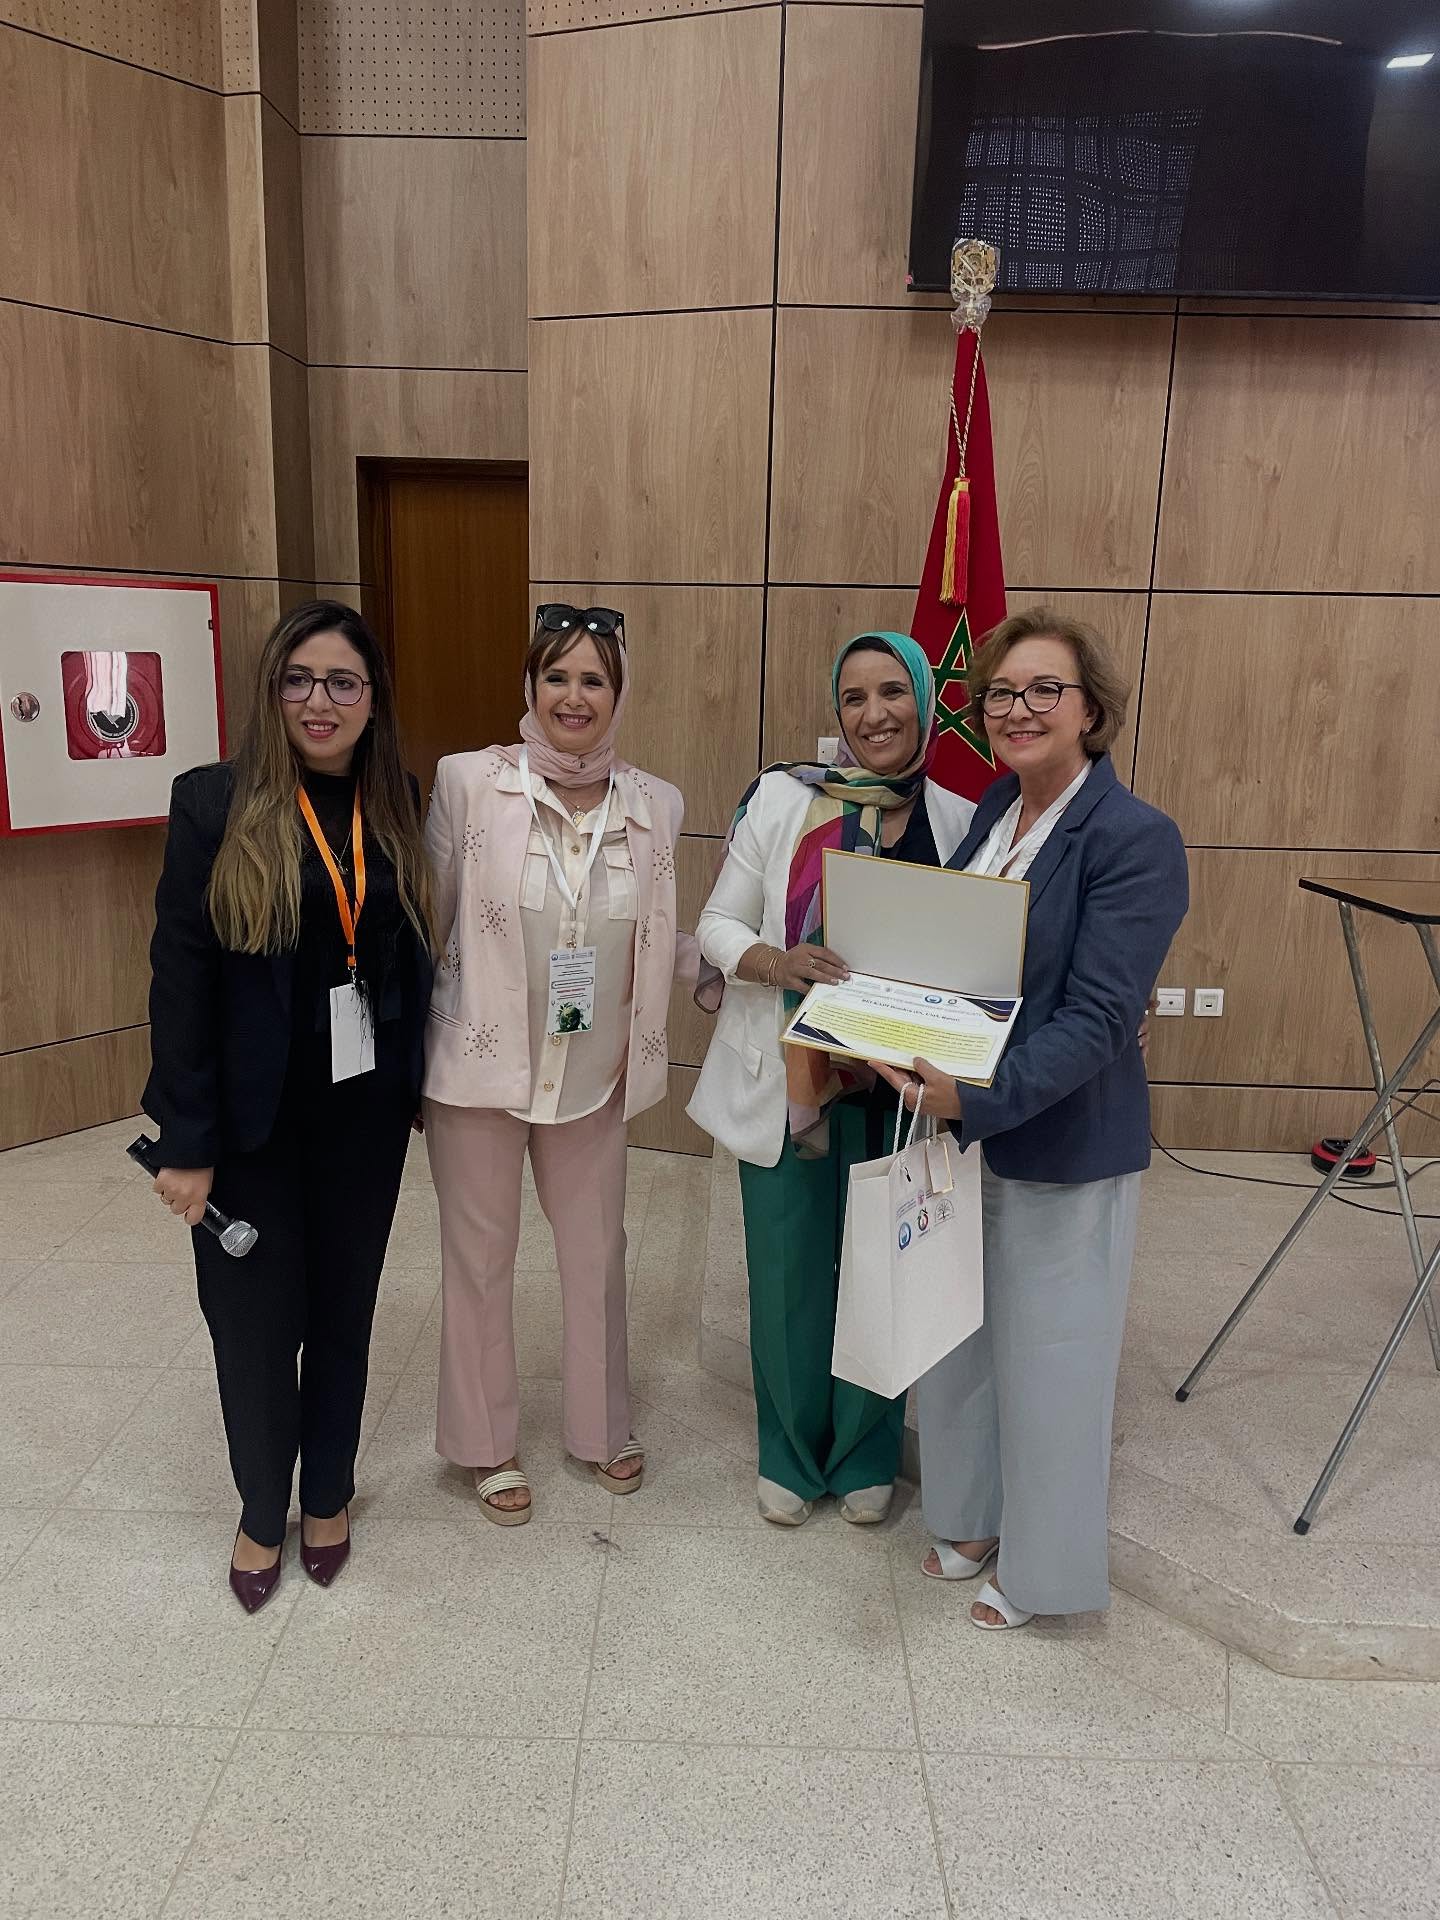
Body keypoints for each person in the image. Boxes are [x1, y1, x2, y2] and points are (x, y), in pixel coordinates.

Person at [874, 607, 1188, 1629]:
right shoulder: (996, 809)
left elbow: (1100, 1016)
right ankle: (970, 1518)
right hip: (961, 1130)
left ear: (1092, 709)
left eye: (1045, 690)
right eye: (1002, 692)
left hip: (1062, 1138)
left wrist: (977, 1095)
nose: (1018, 709)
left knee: (1054, 1363)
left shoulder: (1135, 839)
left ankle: (1045, 1573)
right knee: (961, 1340)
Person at [144, 600, 434, 1612]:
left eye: (342, 682)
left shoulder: (394, 799)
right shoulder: (213, 804)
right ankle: (262, 1507)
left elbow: (409, 951)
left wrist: (419, 1082)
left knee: (344, 1312)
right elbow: (180, 979)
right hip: (248, 1124)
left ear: (372, 699)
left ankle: (330, 1494)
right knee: (255, 1328)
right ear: (273, 692)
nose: (321, 701)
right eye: (300, 680)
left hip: (364, 1116)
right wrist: (186, 1140)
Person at [687, 632, 977, 1527]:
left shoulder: (964, 819)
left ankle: (864, 1453)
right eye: (854, 697)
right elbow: (716, 923)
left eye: (893, 692)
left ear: (925, 701)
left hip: (902, 1094)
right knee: (787, 1274)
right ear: (836, 713)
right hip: (793, 1083)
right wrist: (776, 962)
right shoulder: (784, 800)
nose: (874, 713)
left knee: (884, 1270)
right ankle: (788, 1450)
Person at [422, 604, 693, 1522]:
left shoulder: (655, 804)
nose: (574, 696)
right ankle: (485, 1443)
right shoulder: (469, 781)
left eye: (594, 679)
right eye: (558, 676)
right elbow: (430, 912)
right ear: (530, 685)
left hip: (594, 1070)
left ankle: (600, 1425)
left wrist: (733, 966)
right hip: (478, 1065)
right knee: (478, 1257)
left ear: (619, 693)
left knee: (597, 1254)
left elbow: (658, 932)